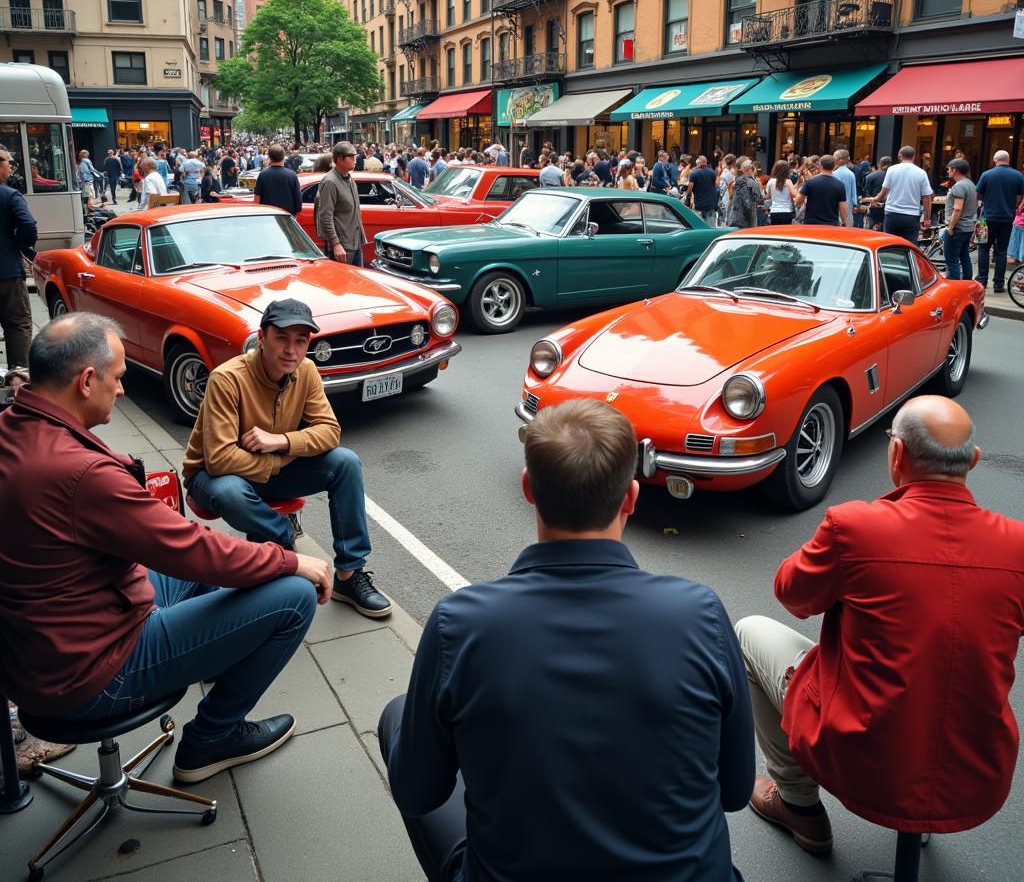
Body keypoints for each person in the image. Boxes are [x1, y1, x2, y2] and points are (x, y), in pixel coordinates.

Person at [380, 399, 753, 881]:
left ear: (528, 489)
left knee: (400, 714)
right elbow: (735, 791)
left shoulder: (461, 625)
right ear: (631, 499)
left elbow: (417, 794)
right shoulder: (700, 613)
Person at [0, 313, 333, 783]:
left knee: (207, 561)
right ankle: (210, 740)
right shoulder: (78, 473)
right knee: (293, 596)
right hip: (95, 675)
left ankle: (219, 656)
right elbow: (191, 550)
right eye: (117, 378)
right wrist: (293, 560)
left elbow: (183, 548)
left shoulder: (14, 427)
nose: (120, 390)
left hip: (44, 652)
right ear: (86, 380)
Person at [737, 396, 1024, 854]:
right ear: (972, 460)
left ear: (896, 454)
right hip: (975, 769)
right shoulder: (1018, 546)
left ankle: (798, 805)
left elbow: (792, 595)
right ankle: (920, 821)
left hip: (861, 758)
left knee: (750, 632)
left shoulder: (854, 527)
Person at [183, 299, 391, 618]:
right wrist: (280, 460)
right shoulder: (226, 379)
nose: (291, 350)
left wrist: (281, 441)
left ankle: (349, 577)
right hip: (211, 476)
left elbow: (329, 431)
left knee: (345, 462)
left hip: (265, 469)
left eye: (300, 341)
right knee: (231, 492)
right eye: (282, 338)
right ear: (262, 338)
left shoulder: (305, 370)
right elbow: (219, 459)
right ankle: (281, 537)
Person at [0, 148, 37, 370]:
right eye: (8, 161)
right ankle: (19, 378)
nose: (10, 166)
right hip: (7, 273)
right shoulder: (9, 195)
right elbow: (28, 226)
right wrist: (20, 243)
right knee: (18, 325)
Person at [975, 149, 1024, 292]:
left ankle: (982, 280)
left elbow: (978, 194)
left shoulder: (987, 174)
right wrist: (1014, 206)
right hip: (1007, 218)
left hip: (985, 217)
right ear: (1007, 160)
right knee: (1002, 251)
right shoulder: (1018, 176)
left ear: (995, 159)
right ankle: (999, 283)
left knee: (982, 247)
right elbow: (1020, 197)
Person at [869, 145, 932, 243]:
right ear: (914, 156)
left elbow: (884, 190)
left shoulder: (892, 170)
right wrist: (927, 217)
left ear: (900, 156)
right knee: (910, 245)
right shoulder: (921, 173)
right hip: (911, 215)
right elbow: (927, 197)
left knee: (890, 244)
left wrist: (877, 198)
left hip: (892, 213)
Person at [316, 140, 365, 266]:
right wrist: (336, 244)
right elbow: (325, 216)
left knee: (357, 283)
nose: (355, 159)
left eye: (355, 156)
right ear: (339, 159)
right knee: (342, 283)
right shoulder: (330, 182)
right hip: (342, 245)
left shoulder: (349, 179)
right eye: (351, 157)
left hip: (354, 243)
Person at [941, 157, 978, 281]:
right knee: (964, 256)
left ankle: (955, 287)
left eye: (949, 169)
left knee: (952, 260)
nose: (948, 172)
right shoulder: (971, 184)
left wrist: (950, 227)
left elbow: (957, 208)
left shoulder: (959, 186)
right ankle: (967, 284)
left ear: (954, 170)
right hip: (967, 226)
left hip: (957, 227)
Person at [253, 144, 301, 216]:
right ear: (283, 157)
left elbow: (257, 198)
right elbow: (298, 198)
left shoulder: (263, 174)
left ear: (269, 157)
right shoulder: (292, 175)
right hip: (287, 216)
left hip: (268, 215)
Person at [799, 154, 847, 227]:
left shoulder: (810, 182)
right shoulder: (840, 185)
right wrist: (844, 222)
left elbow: (798, 201)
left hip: (811, 224)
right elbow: (842, 208)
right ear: (834, 167)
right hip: (831, 224)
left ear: (820, 165)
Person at [686, 155, 719, 226]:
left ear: (698, 163)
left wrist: (687, 195)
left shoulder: (694, 173)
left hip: (699, 204)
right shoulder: (713, 173)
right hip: (711, 203)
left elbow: (690, 187)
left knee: (699, 225)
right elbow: (717, 184)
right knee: (710, 226)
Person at [765, 160, 800, 225]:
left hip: (774, 212)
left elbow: (768, 196)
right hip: (786, 211)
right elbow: (794, 195)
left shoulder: (771, 181)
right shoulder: (788, 182)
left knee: (775, 233)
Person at [728, 160, 761, 229]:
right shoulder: (751, 182)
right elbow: (757, 199)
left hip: (736, 216)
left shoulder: (738, 181)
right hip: (748, 219)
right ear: (750, 169)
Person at [831, 150, 858, 227]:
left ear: (839, 160)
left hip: (834, 205)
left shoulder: (833, 173)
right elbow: (853, 192)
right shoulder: (851, 174)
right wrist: (855, 204)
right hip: (847, 205)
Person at [862, 156, 889, 230]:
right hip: (889, 210)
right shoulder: (895, 177)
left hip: (874, 207)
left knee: (869, 231)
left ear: (879, 164)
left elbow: (866, 194)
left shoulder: (870, 176)